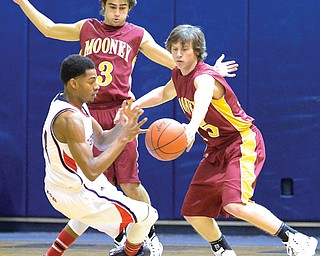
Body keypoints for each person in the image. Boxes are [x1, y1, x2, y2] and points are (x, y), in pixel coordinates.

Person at [12, 0, 238, 255]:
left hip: (121, 111)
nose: (117, 13)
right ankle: (124, 239)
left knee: (130, 182)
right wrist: (23, 3)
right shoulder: (86, 28)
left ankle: (149, 237)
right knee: (96, 186)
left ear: (129, 9)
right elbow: (49, 28)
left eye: (122, 8)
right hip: (89, 111)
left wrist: (210, 73)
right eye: (113, 7)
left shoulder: (137, 35)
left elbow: (179, 64)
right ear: (103, 7)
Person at [132, 24, 318, 256]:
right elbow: (163, 93)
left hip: (241, 142)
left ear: (197, 52)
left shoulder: (205, 78)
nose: (178, 54)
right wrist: (135, 104)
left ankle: (296, 238)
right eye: (174, 48)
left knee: (234, 204)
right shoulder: (178, 74)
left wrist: (191, 127)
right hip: (216, 148)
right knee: (193, 210)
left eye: (185, 49)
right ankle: (223, 251)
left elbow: (202, 98)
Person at [42, 54, 158, 256]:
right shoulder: (70, 119)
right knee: (148, 215)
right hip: (75, 192)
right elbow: (92, 169)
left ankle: (52, 254)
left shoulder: (74, 104)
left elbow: (102, 139)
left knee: (89, 216)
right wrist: (124, 139)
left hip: (66, 185)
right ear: (73, 83)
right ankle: (130, 253)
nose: (98, 86)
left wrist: (124, 125)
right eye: (91, 81)